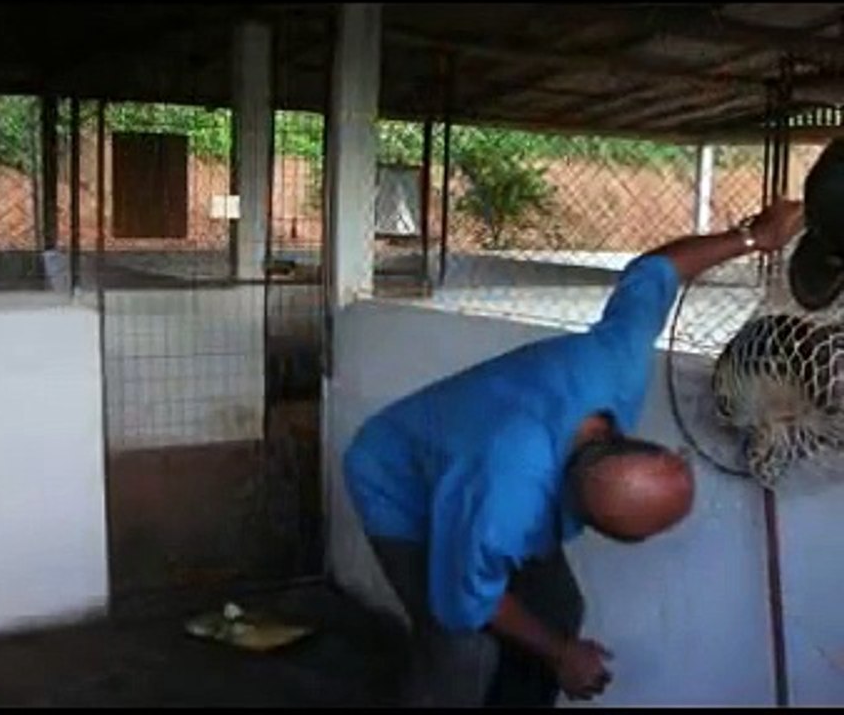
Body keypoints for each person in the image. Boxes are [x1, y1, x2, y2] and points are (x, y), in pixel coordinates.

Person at [344, 199, 804, 707]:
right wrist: (563, 654)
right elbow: (464, 602)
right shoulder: (505, 502)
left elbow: (657, 270)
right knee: (460, 649)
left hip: (463, 455)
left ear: (626, 441)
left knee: (559, 604)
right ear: (562, 504)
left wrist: (750, 240)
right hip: (392, 476)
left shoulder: (618, 362)